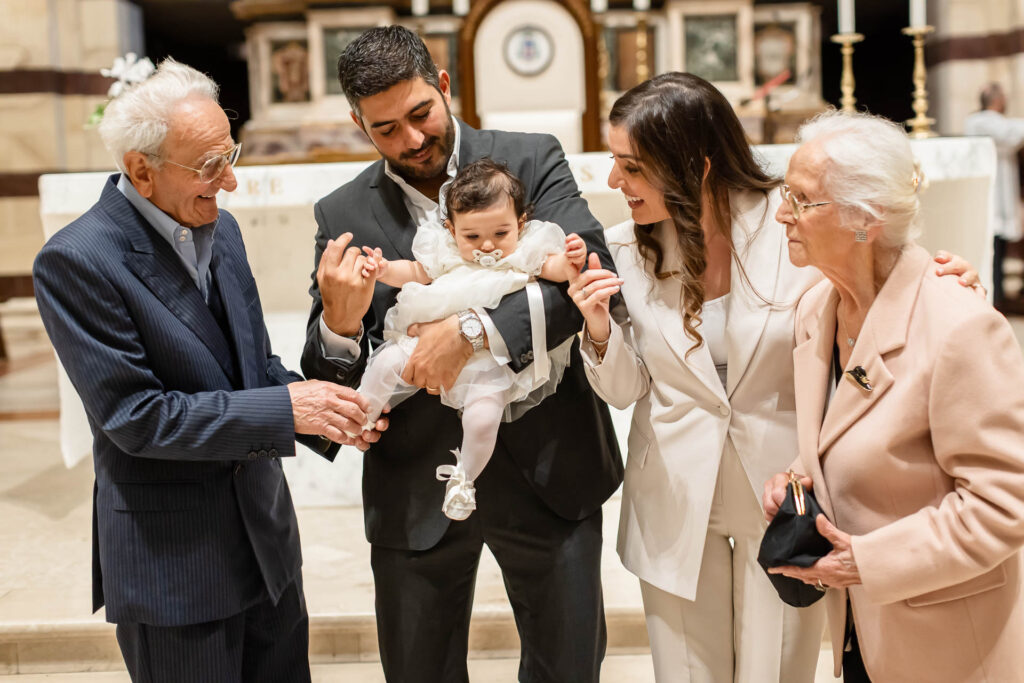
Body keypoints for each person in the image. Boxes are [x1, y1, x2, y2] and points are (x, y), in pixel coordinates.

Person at [569, 74, 983, 683]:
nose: (613, 183)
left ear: (695, 165)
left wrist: (948, 279)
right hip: (674, 492)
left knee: (778, 673)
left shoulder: (795, 225)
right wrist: (599, 331)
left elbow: (879, 288)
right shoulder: (624, 251)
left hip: (784, 490)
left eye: (631, 167)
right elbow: (628, 391)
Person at [32, 59, 385, 682]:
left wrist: (325, 399)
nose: (230, 184)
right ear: (142, 170)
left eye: (231, 157)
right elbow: (135, 418)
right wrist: (287, 410)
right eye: (207, 168)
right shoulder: (77, 261)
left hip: (266, 546)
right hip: (175, 565)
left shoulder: (222, 233)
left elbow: (254, 368)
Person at [299, 26, 622, 682]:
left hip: (548, 469)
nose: (412, 140)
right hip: (415, 483)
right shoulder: (343, 212)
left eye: (420, 114)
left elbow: (594, 280)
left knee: (567, 668)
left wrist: (474, 330)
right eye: (385, 129)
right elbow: (328, 365)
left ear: (443, 85)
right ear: (359, 124)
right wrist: (339, 320)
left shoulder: (531, 159)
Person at [763, 110, 1024, 683]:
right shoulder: (816, 312)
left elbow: (1004, 506)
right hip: (862, 627)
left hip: (947, 641)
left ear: (866, 219)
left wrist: (870, 560)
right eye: (787, 194)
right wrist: (800, 478)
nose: (783, 214)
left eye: (802, 200)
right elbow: (849, 439)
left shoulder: (959, 326)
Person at [357, 158, 587, 520]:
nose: (487, 247)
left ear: (520, 224)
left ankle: (464, 479)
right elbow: (417, 271)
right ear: (451, 230)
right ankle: (361, 415)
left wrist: (572, 262)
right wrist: (384, 270)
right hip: (429, 338)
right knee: (385, 362)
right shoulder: (445, 252)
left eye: (500, 233)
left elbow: (553, 270)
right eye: (472, 237)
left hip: (491, 362)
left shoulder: (525, 250)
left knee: (483, 419)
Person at [964, 83, 1024, 308]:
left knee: (999, 248)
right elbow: (1012, 132)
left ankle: (998, 296)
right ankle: (994, 298)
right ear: (996, 100)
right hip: (992, 193)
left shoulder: (987, 121)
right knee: (993, 249)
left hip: (1001, 191)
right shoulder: (980, 122)